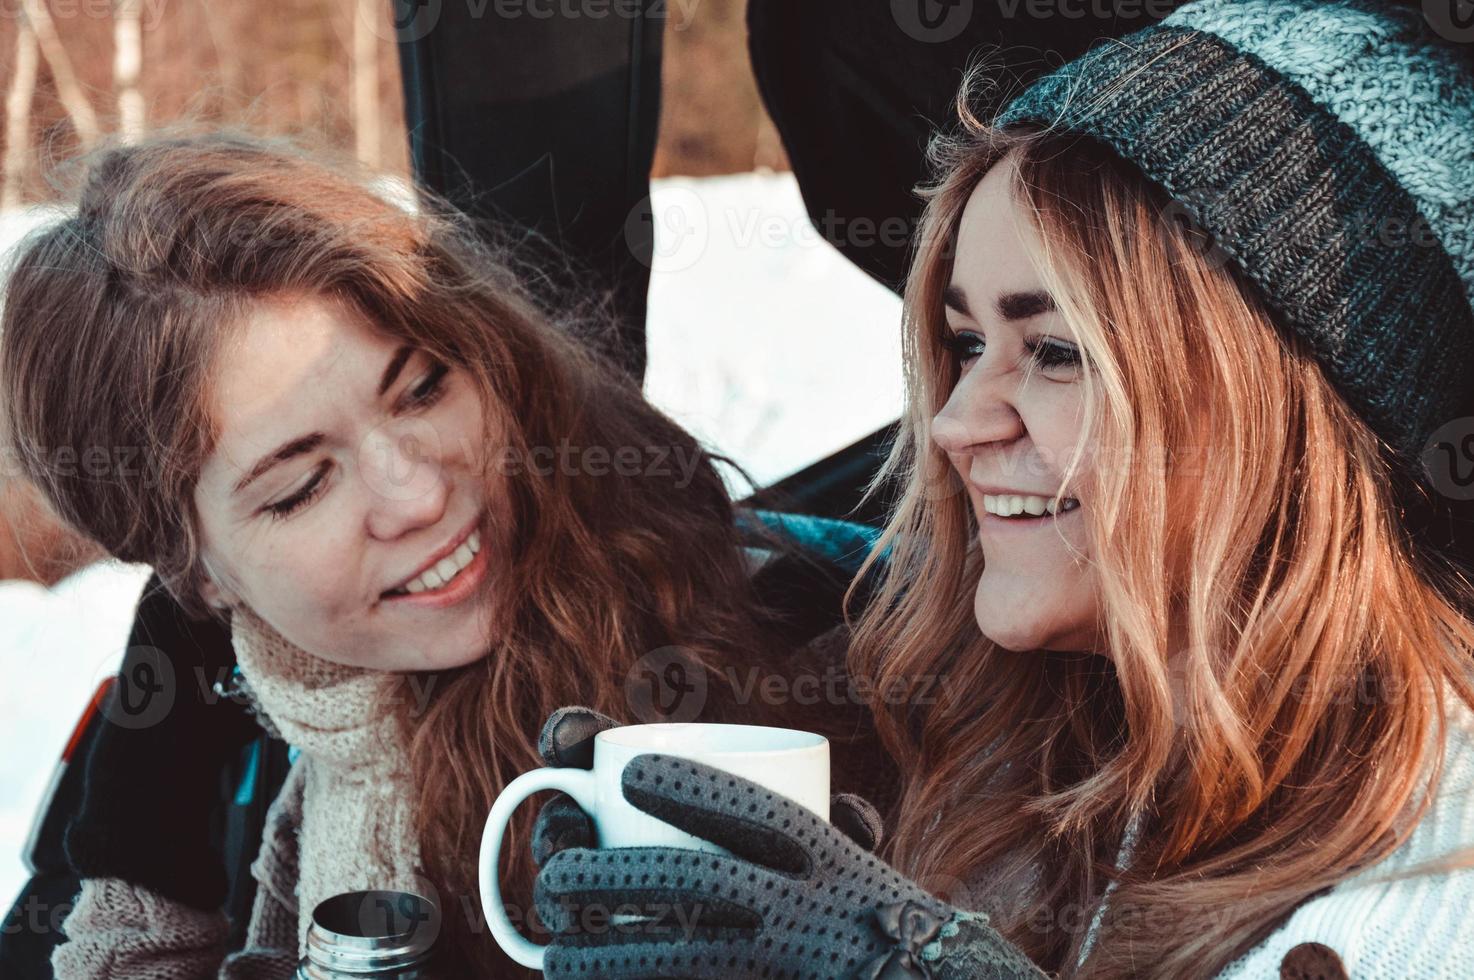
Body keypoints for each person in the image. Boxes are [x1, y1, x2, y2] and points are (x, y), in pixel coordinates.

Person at [522, 2, 1474, 977]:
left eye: (1054, 352)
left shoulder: (1438, 877)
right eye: (966, 343)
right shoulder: (1054, 749)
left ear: (1282, 416)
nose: (953, 423)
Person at [0, 125, 893, 977]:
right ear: (194, 571)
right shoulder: (239, 710)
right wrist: (143, 850)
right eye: (301, 487)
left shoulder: (792, 637)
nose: (420, 494)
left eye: (423, 388)